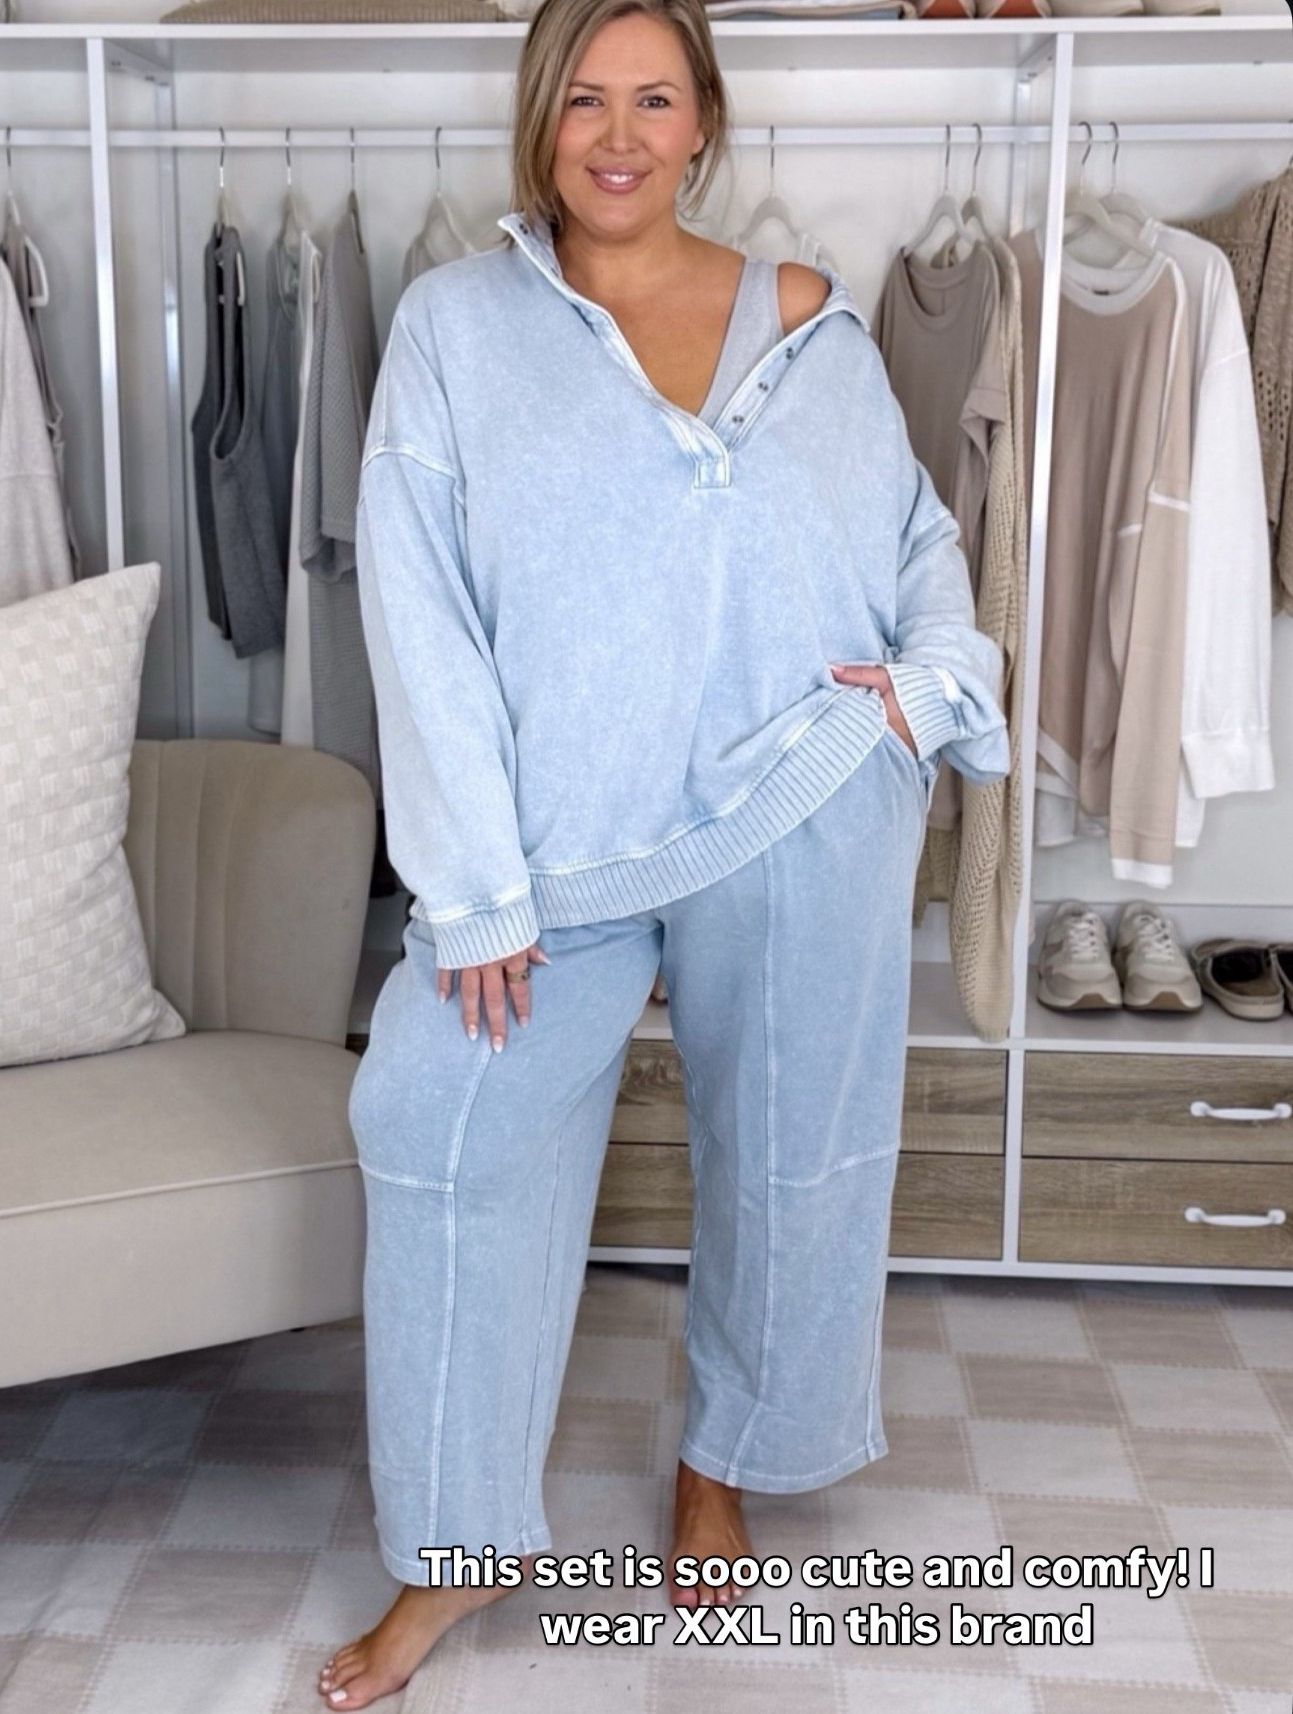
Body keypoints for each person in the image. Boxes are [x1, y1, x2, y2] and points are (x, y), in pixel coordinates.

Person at [318, 0, 1009, 1703]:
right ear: (539, 118)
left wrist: (926, 693)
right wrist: (472, 883)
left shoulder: (808, 316)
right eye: (584, 100)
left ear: (705, 120)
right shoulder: (457, 328)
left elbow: (917, 540)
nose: (617, 137)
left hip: (799, 801)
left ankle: (724, 1461)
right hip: (552, 853)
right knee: (437, 1125)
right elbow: (416, 611)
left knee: (790, 1154)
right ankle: (459, 1550)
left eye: (652, 99)